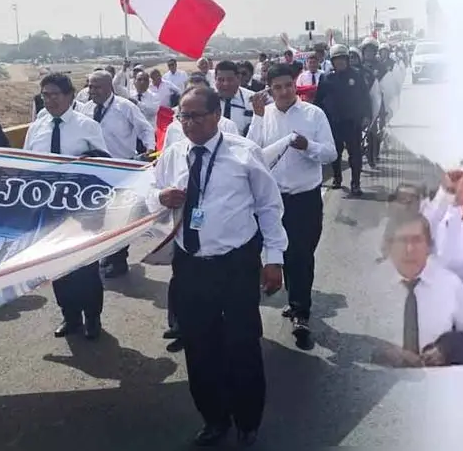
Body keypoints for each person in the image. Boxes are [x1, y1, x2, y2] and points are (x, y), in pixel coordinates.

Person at [151, 85, 288, 447]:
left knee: (242, 344)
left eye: (196, 116)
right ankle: (214, 418)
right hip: (191, 266)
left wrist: (274, 259)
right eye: (183, 116)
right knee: (199, 347)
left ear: (216, 116)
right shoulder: (173, 154)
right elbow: (149, 193)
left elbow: (269, 207)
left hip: (236, 264)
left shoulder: (244, 153)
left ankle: (247, 420)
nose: (188, 123)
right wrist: (160, 197)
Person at [247, 62, 336, 350]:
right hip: (272, 201)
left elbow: (331, 153)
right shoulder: (264, 116)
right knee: (274, 253)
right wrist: (257, 118)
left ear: (295, 84)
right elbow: (250, 154)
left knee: (301, 255)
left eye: (288, 85)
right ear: (269, 90)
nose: (284, 92)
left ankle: (301, 312)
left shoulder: (313, 114)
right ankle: (283, 296)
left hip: (304, 199)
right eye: (278, 87)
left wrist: (308, 146)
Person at [22, 73, 109, 339]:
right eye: (45, 96)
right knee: (58, 266)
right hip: (50, 209)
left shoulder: (87, 126)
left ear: (70, 96)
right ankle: (70, 316)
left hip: (83, 210)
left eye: (55, 95)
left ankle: (92, 316)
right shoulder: (37, 128)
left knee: (85, 266)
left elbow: (105, 164)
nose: (50, 100)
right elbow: (25, 166)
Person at [370, 211, 463, 368]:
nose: (409, 249)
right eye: (402, 241)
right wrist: (382, 351)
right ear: (389, 246)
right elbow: (348, 340)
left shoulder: (450, 284)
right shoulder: (370, 285)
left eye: (417, 240)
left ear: (429, 246)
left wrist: (447, 350)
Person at [79, 70, 155, 278]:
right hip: (96, 171)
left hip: (122, 169)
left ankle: (118, 259)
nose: (92, 91)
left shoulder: (125, 106)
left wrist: (149, 149)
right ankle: (107, 254)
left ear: (109, 87)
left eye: (97, 87)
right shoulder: (85, 109)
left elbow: (145, 129)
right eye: (90, 86)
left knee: (120, 217)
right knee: (99, 217)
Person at [314, 44, 372, 195]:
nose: (340, 62)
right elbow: (318, 101)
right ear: (332, 61)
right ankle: (337, 178)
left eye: (342, 59)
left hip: (352, 122)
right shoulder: (326, 78)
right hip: (333, 123)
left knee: (355, 154)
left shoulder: (357, 75)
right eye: (336, 59)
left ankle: (356, 184)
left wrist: (367, 116)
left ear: (347, 59)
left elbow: (366, 97)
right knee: (335, 153)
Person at [214, 60, 255, 136]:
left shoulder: (252, 99)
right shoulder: (207, 100)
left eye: (230, 80)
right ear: (215, 79)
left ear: (238, 78)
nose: (225, 84)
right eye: (221, 80)